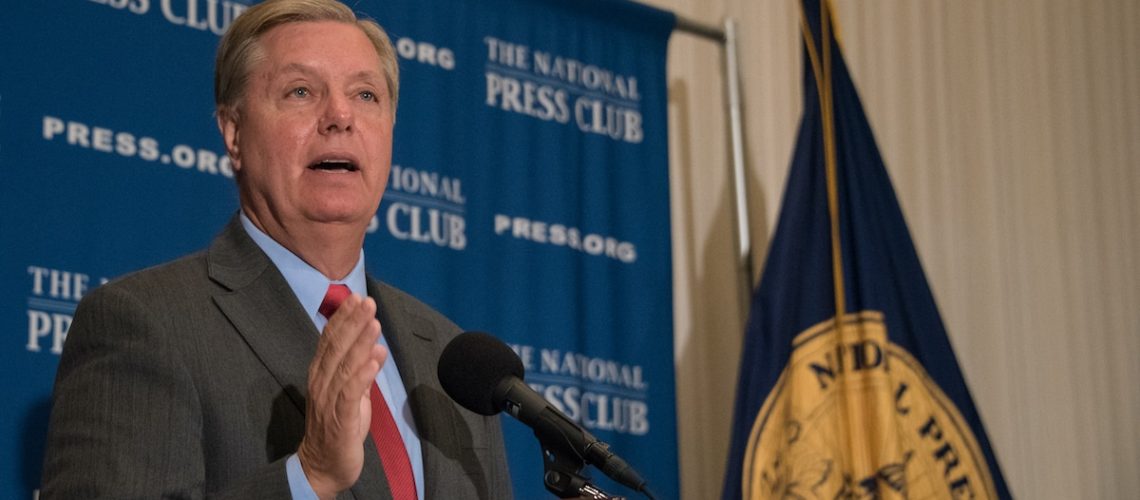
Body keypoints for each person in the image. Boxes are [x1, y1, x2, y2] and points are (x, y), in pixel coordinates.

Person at [39, 1, 513, 498]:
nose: (340, 116)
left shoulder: (451, 360)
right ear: (234, 133)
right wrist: (308, 476)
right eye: (301, 91)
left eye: (366, 94)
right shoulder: (147, 323)